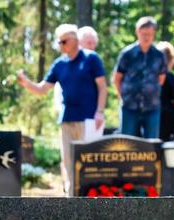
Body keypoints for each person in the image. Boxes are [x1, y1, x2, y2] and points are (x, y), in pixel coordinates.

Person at [18, 24, 107, 195]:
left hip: (88, 119)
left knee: (89, 160)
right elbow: (42, 89)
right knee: (68, 161)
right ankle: (71, 197)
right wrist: (26, 83)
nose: (60, 45)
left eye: (63, 41)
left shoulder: (91, 58)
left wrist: (99, 112)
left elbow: (102, 87)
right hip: (67, 119)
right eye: (59, 42)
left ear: (74, 40)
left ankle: (91, 198)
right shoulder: (59, 64)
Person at [113, 16, 167, 139]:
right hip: (129, 107)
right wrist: (123, 97)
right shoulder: (127, 54)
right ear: (137, 32)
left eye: (150, 34)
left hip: (152, 107)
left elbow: (161, 79)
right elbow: (117, 79)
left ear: (154, 34)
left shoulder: (159, 55)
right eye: (144, 34)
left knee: (152, 144)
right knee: (127, 143)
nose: (147, 37)